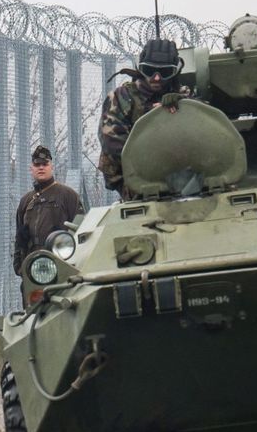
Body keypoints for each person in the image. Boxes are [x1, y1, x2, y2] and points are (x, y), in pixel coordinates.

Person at [97, 39, 192, 196]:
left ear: (174, 72)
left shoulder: (184, 96)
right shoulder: (121, 98)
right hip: (136, 181)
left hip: (183, 179)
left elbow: (204, 127)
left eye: (164, 72)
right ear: (140, 69)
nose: (156, 78)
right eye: (149, 70)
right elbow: (111, 141)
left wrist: (185, 108)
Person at [13, 145, 84, 277]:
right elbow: (19, 235)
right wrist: (19, 266)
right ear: (31, 169)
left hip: (61, 263)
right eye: (37, 164)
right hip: (33, 265)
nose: (41, 167)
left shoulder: (68, 195)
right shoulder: (26, 200)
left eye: (45, 164)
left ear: (52, 167)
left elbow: (81, 231)